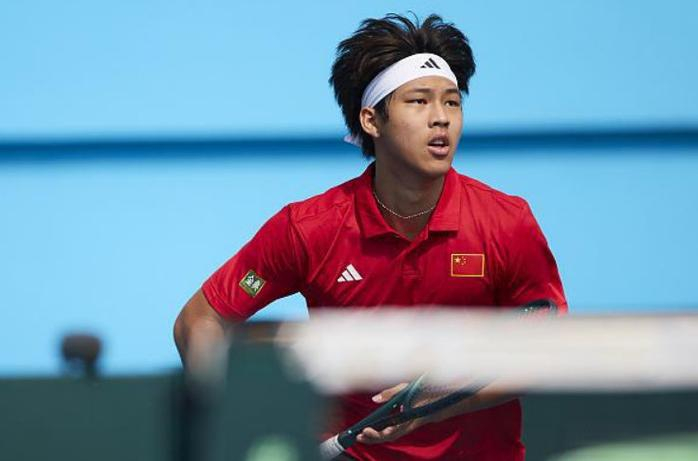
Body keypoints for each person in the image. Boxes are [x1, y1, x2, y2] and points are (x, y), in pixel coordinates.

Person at [174, 13, 567, 460]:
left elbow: (546, 349)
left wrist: (437, 402)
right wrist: (246, 420)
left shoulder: (506, 222)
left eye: (452, 103)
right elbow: (199, 321)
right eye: (419, 101)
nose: (441, 118)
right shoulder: (309, 229)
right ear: (371, 120)